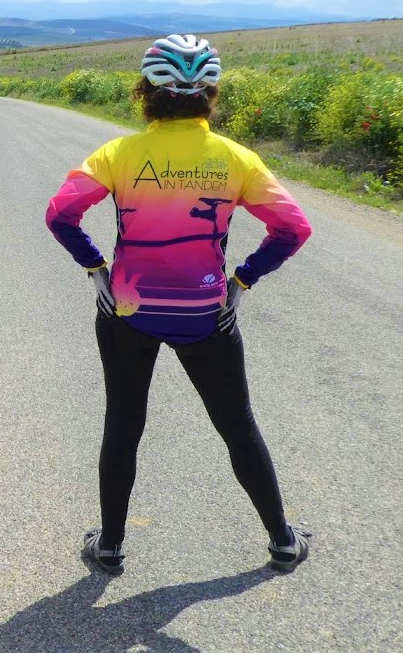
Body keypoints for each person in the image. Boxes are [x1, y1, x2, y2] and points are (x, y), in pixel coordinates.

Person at [46, 34, 312, 575]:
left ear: (143, 91)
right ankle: (282, 541)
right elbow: (293, 228)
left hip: (128, 310)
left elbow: (60, 214)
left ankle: (111, 547)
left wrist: (96, 268)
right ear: (210, 94)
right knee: (237, 425)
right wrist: (242, 279)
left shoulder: (118, 154)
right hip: (207, 312)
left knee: (123, 424)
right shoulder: (236, 159)